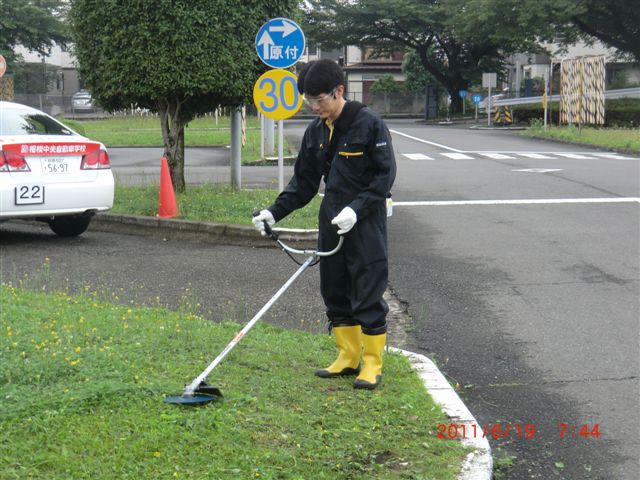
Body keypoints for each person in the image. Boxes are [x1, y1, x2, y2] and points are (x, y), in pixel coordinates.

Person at [252, 59, 396, 390]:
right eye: (309, 102)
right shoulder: (315, 132)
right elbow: (303, 184)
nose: (315, 108)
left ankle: (372, 363)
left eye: (319, 100)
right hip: (331, 219)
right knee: (334, 288)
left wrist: (356, 210)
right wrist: (273, 212)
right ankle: (348, 356)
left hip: (365, 221)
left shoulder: (369, 125)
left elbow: (384, 176)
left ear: (339, 91)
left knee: (367, 290)